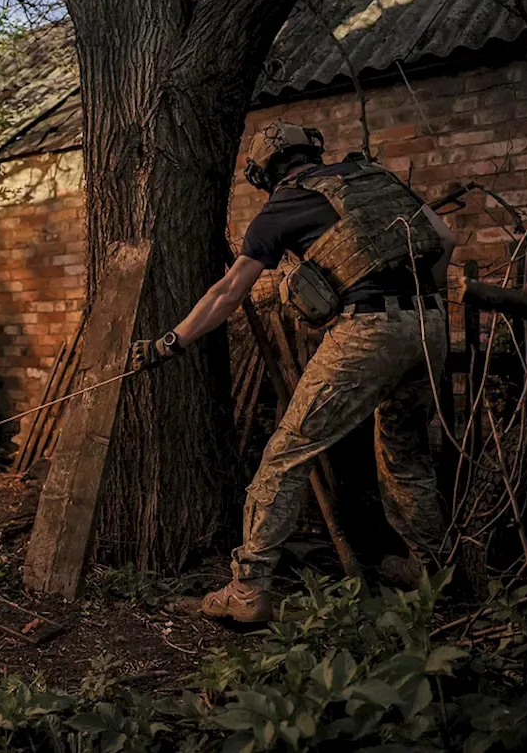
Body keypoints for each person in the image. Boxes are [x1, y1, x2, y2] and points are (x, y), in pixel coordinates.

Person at [130, 122, 458, 623]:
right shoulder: (376, 178)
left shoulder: (281, 207)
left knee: (286, 455)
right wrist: (418, 303)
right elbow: (446, 238)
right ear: (313, 152)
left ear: (265, 172)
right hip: (432, 323)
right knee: (407, 452)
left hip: (369, 330)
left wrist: (172, 340)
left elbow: (227, 293)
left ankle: (247, 588)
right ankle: (433, 573)